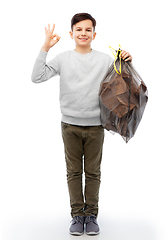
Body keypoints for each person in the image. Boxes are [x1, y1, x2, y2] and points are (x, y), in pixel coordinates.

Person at [31, 13, 132, 236]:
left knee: (93, 172)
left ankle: (91, 216)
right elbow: (36, 77)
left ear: (94, 34)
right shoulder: (63, 58)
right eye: (79, 29)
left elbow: (123, 81)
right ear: (71, 33)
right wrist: (45, 47)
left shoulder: (105, 59)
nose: (83, 33)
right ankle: (77, 216)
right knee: (73, 172)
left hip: (96, 126)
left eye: (88, 30)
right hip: (70, 126)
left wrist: (126, 59)